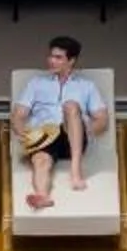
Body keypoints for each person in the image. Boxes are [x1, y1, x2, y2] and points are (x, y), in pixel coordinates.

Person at [11, 36, 109, 210]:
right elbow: (19, 115)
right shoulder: (36, 83)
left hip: (73, 137)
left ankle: (75, 171)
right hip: (44, 136)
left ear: (71, 61)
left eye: (58, 58)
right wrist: (24, 135)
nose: (51, 61)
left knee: (70, 106)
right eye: (51, 56)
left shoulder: (87, 86)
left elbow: (102, 120)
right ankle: (42, 196)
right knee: (41, 160)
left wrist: (83, 130)